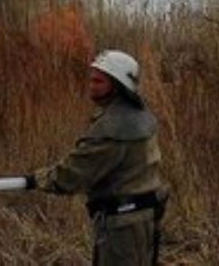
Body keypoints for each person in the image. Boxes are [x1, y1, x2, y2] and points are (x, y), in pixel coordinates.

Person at [25, 50, 168, 265]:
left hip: (123, 227)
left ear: (118, 84)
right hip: (143, 218)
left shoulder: (114, 128)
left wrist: (37, 179)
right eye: (91, 79)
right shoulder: (139, 115)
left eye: (99, 81)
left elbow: (71, 176)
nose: (92, 85)